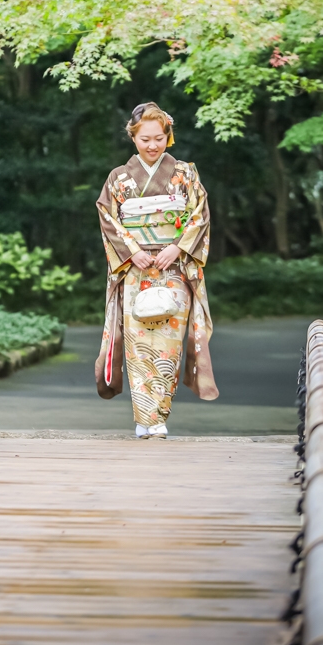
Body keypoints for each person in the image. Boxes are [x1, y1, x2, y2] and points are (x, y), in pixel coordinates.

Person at [95, 102, 218, 438]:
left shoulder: (186, 173)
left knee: (168, 343)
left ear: (168, 136)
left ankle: (159, 416)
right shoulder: (118, 179)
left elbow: (200, 215)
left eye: (159, 138)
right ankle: (143, 417)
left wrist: (177, 247)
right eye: (145, 139)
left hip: (174, 268)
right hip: (136, 271)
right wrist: (132, 252)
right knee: (138, 341)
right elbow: (108, 219)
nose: (152, 145)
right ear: (133, 137)